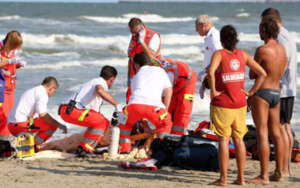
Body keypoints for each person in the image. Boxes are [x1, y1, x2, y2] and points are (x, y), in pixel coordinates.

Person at [207, 25, 266, 186]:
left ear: (221, 40)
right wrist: (251, 92)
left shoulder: (219, 54)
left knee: (224, 141)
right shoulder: (243, 54)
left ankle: (223, 179)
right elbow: (262, 73)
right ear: (236, 39)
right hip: (240, 103)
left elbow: (211, 72)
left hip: (223, 104)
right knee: (239, 140)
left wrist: (213, 91)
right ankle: (240, 178)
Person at [248, 18, 288, 184]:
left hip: (262, 93)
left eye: (260, 29)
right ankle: (279, 171)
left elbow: (252, 74)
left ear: (264, 30)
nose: (259, 32)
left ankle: (264, 175)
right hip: (276, 93)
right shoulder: (282, 51)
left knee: (262, 133)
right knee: (276, 133)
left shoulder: (262, 50)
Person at [261, 8, 298, 178]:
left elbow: (280, 61)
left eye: (263, 22)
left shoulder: (280, 37)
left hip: (282, 87)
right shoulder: (288, 34)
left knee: (281, 129)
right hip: (290, 87)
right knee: (286, 128)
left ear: (269, 21)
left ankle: (282, 170)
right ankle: (286, 169)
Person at [59, 65, 122, 157]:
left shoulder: (92, 83)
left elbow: (94, 117)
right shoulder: (100, 82)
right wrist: (117, 105)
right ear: (112, 79)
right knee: (103, 122)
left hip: (66, 110)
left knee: (97, 121)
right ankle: (86, 148)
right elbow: (100, 90)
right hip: (72, 110)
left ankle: (83, 148)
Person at [119, 53, 173, 154]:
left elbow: (139, 101)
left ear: (136, 65)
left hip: (134, 107)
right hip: (155, 109)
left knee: (123, 122)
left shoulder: (136, 76)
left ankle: (124, 149)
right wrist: (165, 110)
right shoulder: (160, 71)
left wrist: (145, 124)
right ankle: (160, 150)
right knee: (165, 124)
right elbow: (168, 91)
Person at [7, 77, 67, 151]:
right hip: (20, 125)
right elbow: (42, 114)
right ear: (51, 88)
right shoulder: (43, 93)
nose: (52, 94)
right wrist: (59, 125)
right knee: (52, 125)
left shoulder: (33, 90)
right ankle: (34, 146)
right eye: (54, 92)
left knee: (42, 122)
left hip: (12, 125)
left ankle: (32, 145)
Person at [151, 58, 197, 135]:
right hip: (174, 81)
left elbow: (165, 97)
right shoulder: (144, 70)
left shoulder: (161, 75)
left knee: (182, 112)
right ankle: (165, 136)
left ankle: (177, 138)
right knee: (169, 113)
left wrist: (163, 113)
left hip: (187, 80)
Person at [0, 31, 26, 141]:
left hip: (10, 89)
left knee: (10, 115)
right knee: (3, 116)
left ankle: (5, 141)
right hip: (1, 89)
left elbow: (10, 67)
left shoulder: (12, 51)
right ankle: (3, 140)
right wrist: (9, 61)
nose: (16, 47)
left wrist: (18, 64)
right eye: (15, 45)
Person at [127, 18, 161, 87]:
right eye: (131, 32)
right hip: (137, 77)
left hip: (151, 77)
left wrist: (141, 41)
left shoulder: (152, 36)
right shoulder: (134, 38)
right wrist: (129, 77)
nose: (133, 35)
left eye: (135, 32)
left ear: (142, 29)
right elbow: (131, 58)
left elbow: (151, 56)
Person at [195, 15, 222, 98]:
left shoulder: (213, 36)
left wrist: (204, 72)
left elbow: (221, 56)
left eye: (197, 27)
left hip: (217, 78)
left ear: (203, 25)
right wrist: (205, 82)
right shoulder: (209, 36)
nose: (196, 30)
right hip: (212, 77)